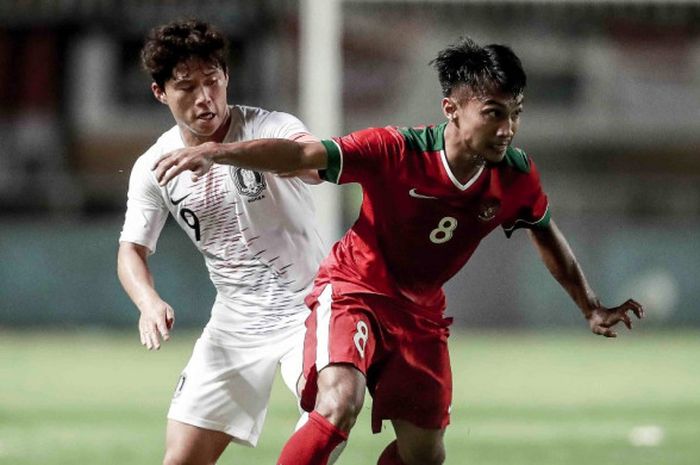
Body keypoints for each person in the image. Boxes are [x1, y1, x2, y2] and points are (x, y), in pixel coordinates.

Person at [151, 37, 645, 465]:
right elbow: (304, 155)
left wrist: (589, 306)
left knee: (425, 454)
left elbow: (545, 231)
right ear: (452, 108)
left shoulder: (514, 175)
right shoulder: (395, 151)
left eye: (515, 113)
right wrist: (218, 150)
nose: (507, 128)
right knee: (340, 401)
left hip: (421, 313)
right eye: (494, 113)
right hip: (353, 292)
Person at [117, 19, 337, 465]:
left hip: (309, 306)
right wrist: (148, 302)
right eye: (186, 87)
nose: (205, 98)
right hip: (235, 321)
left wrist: (216, 152)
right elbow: (131, 250)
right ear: (160, 93)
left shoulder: (270, 126)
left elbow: (314, 164)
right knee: (180, 460)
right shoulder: (153, 167)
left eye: (212, 81)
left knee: (331, 407)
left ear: (226, 78)